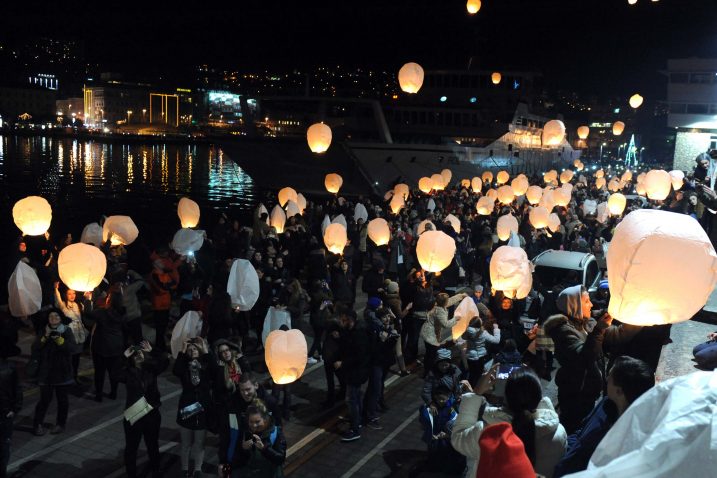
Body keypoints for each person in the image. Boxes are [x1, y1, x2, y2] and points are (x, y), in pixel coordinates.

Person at [452, 366, 566, 478]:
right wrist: (529, 382)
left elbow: (458, 438)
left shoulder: (489, 433)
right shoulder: (559, 432)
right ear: (538, 395)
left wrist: (476, 393)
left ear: (505, 397)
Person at [554, 356, 655, 477]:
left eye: (610, 377)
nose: (606, 379)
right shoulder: (605, 404)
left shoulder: (632, 439)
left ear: (619, 392)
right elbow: (581, 431)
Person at [543, 286, 612, 434]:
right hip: (576, 395)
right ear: (575, 305)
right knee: (574, 431)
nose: (591, 304)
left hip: (586, 392)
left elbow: (596, 314)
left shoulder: (580, 323)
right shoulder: (564, 331)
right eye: (586, 301)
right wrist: (599, 330)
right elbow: (584, 357)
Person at [117, 340, 169, 478]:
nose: (138, 355)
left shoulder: (151, 369)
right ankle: (131, 474)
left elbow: (165, 361)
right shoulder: (127, 373)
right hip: (134, 415)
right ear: (131, 358)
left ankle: (156, 470)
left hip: (151, 413)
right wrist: (124, 356)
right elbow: (114, 374)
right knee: (131, 448)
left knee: (152, 445)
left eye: (140, 352)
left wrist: (152, 351)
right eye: (135, 354)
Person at [32, 308, 76, 436]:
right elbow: (35, 348)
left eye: (56, 316)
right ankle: (37, 424)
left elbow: (71, 348)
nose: (53, 318)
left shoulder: (66, 331)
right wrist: (45, 336)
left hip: (62, 372)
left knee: (62, 400)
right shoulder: (44, 331)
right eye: (51, 316)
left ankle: (60, 424)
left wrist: (60, 341)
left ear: (61, 318)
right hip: (46, 373)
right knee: (44, 400)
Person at [173, 337, 212, 478]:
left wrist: (205, 349)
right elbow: (176, 371)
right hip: (187, 408)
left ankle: (197, 469)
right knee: (185, 443)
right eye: (190, 349)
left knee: (200, 443)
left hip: (202, 409)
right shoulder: (184, 365)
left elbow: (214, 369)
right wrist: (183, 351)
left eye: (195, 348)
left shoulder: (206, 365)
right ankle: (184, 469)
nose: (192, 350)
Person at [335, 309, 370, 442]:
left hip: (356, 373)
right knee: (356, 398)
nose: (341, 322)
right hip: (357, 372)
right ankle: (358, 421)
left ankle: (355, 429)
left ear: (349, 320)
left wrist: (342, 363)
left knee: (351, 400)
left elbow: (358, 355)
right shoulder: (354, 330)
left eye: (343, 319)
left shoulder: (359, 334)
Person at [85, 290, 126, 402]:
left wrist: (88, 299)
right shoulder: (122, 313)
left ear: (109, 300)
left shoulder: (102, 312)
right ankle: (113, 393)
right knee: (114, 372)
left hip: (101, 347)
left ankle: (99, 395)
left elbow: (88, 313)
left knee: (99, 372)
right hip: (116, 347)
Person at [230, 400, 286, 478]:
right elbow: (237, 459)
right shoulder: (245, 432)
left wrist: (264, 448)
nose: (254, 425)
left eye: (257, 421)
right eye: (251, 422)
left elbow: (280, 459)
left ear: (265, 420)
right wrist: (243, 449)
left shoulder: (276, 433)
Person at [417, 385, 465, 475]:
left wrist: (447, 434)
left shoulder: (451, 405)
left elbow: (454, 418)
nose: (441, 401)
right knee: (433, 451)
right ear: (435, 397)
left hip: (446, 435)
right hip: (435, 434)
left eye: (443, 399)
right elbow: (423, 418)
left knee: (447, 452)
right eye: (439, 399)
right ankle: (433, 467)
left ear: (448, 396)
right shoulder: (430, 408)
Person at [420, 292, 466, 376]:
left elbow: (450, 301)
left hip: (427, 332)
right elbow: (446, 324)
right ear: (444, 302)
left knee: (429, 353)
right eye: (446, 300)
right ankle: (428, 373)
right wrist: (455, 319)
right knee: (431, 355)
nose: (448, 301)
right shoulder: (440, 311)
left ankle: (427, 370)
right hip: (430, 335)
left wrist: (460, 296)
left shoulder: (438, 305)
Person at [54, 281, 90, 383]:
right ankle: (67, 377)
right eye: (69, 293)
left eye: (74, 293)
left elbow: (87, 311)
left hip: (79, 334)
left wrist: (88, 298)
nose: (72, 295)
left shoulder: (78, 305)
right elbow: (58, 300)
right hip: (69, 335)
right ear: (66, 294)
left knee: (76, 358)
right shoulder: (64, 305)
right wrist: (56, 289)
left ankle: (75, 376)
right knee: (68, 358)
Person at [0, 321, 21, 478]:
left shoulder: (9, 369)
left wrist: (13, 409)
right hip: (5, 413)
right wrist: (14, 409)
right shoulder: (10, 368)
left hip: (5, 413)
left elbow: (16, 391)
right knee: (4, 448)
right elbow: (17, 391)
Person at [462, 316, 500, 381]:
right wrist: (496, 329)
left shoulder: (468, 331)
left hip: (470, 356)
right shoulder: (483, 333)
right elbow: (496, 340)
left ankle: (470, 387)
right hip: (480, 357)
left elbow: (463, 337)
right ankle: (478, 388)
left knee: (472, 374)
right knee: (479, 375)